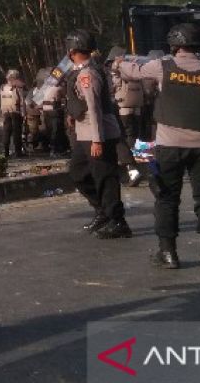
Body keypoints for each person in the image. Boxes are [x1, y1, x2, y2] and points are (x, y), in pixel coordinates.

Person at [119, 23, 200, 269]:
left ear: (174, 44)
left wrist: (119, 61)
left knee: (166, 199)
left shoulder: (162, 66)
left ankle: (168, 254)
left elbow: (130, 72)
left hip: (168, 147)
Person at [64, 29, 130, 240]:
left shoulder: (87, 74)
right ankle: (102, 211)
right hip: (85, 133)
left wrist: (97, 139)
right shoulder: (81, 71)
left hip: (97, 133)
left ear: (72, 51)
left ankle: (117, 221)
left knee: (105, 178)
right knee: (78, 173)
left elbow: (94, 109)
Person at [106, 46, 144, 187]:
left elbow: (113, 86)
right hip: (137, 109)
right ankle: (131, 168)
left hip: (122, 109)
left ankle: (131, 170)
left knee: (120, 141)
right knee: (130, 138)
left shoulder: (116, 72)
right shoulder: (136, 69)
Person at [0, 69, 27, 158]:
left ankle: (6, 152)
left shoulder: (2, 88)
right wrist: (24, 113)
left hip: (6, 112)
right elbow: (22, 101)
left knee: (6, 132)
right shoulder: (17, 89)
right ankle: (18, 153)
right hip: (16, 112)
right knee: (16, 133)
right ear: (14, 78)